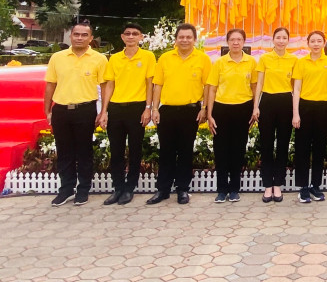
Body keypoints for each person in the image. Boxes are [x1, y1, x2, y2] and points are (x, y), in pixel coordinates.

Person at [44, 21, 108, 206]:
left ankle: (83, 189)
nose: (80, 38)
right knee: (64, 151)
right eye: (76, 34)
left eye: (84, 35)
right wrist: (48, 110)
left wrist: (103, 111)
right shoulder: (57, 57)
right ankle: (66, 189)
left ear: (91, 38)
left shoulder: (99, 59)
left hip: (85, 110)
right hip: (61, 110)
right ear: (71, 36)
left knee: (84, 151)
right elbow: (50, 84)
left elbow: (105, 87)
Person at [147, 23, 211, 205]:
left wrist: (204, 108)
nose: (185, 40)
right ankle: (163, 189)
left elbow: (208, 86)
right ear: (175, 39)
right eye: (181, 37)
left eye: (188, 37)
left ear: (194, 39)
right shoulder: (165, 58)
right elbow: (158, 85)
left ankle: (182, 189)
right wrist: (154, 109)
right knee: (166, 151)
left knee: (185, 151)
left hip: (191, 111)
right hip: (167, 111)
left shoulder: (203, 59)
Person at [98, 23, 156, 206]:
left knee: (135, 150)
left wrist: (148, 108)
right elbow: (110, 85)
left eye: (135, 33)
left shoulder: (148, 57)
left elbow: (150, 84)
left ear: (141, 37)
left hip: (137, 108)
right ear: (122, 37)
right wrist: (104, 111)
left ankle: (130, 188)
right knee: (116, 151)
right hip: (116, 108)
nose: (131, 36)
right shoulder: (115, 58)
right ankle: (118, 188)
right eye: (127, 33)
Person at [206, 28, 258, 203]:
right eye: (232, 40)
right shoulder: (219, 63)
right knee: (221, 150)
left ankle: (235, 189)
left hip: (243, 108)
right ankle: (221, 190)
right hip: (221, 109)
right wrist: (209, 114)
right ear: (227, 42)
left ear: (244, 42)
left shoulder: (251, 62)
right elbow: (212, 89)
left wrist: (254, 109)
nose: (236, 43)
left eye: (239, 39)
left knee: (238, 149)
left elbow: (254, 88)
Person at [255, 27, 297, 203]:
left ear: (288, 40)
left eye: (284, 38)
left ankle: (278, 184)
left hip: (286, 102)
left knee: (282, 144)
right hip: (267, 102)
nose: (281, 41)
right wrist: (255, 106)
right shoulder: (265, 58)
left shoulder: (293, 60)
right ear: (273, 40)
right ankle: (267, 185)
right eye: (278, 37)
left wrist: (295, 111)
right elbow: (259, 84)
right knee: (266, 144)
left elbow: (295, 87)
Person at [292, 30, 327, 203]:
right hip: (305, 106)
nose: (316, 44)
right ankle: (303, 187)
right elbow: (296, 89)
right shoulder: (301, 62)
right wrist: (296, 113)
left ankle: (315, 186)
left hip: (323, 107)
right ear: (308, 43)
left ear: (324, 43)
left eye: (319, 41)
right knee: (302, 148)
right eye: (313, 41)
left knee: (319, 148)